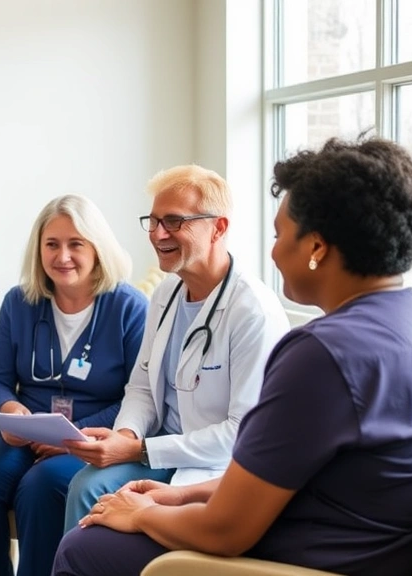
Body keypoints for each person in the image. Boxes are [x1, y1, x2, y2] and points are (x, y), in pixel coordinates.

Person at [52, 137, 412, 576]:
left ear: (317, 247)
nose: (272, 251)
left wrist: (141, 515)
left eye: (279, 234)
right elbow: (305, 477)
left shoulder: (322, 354)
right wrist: (178, 496)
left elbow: (225, 531)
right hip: (361, 547)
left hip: (302, 562)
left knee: (86, 547)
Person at [62, 165, 289, 530]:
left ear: (219, 227)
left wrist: (139, 450)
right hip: (157, 450)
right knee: (87, 486)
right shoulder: (166, 294)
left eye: (173, 222)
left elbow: (240, 433)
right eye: (152, 221)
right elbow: (141, 386)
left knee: (100, 500)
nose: (157, 234)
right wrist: (126, 435)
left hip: (214, 467)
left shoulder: (253, 311)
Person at [0, 195, 150, 576]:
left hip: (91, 439)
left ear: (97, 248)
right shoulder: (19, 302)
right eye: (52, 244)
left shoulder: (129, 307)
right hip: (24, 435)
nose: (63, 256)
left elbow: (138, 396)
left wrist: (73, 437)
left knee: (40, 490)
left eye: (76, 244)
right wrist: (10, 414)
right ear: (38, 249)